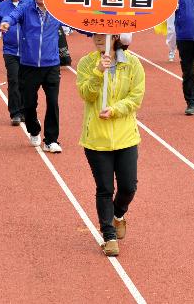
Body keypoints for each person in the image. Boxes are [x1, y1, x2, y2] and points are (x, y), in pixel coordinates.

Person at [76, 33, 144, 257]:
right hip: (97, 138)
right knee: (104, 188)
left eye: (102, 34)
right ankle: (109, 236)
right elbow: (86, 94)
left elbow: (136, 98)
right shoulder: (87, 62)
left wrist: (115, 110)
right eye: (94, 33)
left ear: (115, 36)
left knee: (128, 186)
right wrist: (98, 71)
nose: (97, 37)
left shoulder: (132, 63)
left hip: (125, 136)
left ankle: (118, 215)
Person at [0, 0, 64, 153]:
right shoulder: (26, 7)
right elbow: (13, 15)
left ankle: (51, 139)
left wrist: (98, 31)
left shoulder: (58, 9)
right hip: (29, 65)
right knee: (29, 103)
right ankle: (34, 129)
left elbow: (77, 22)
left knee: (53, 102)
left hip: (51, 65)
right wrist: (6, 22)